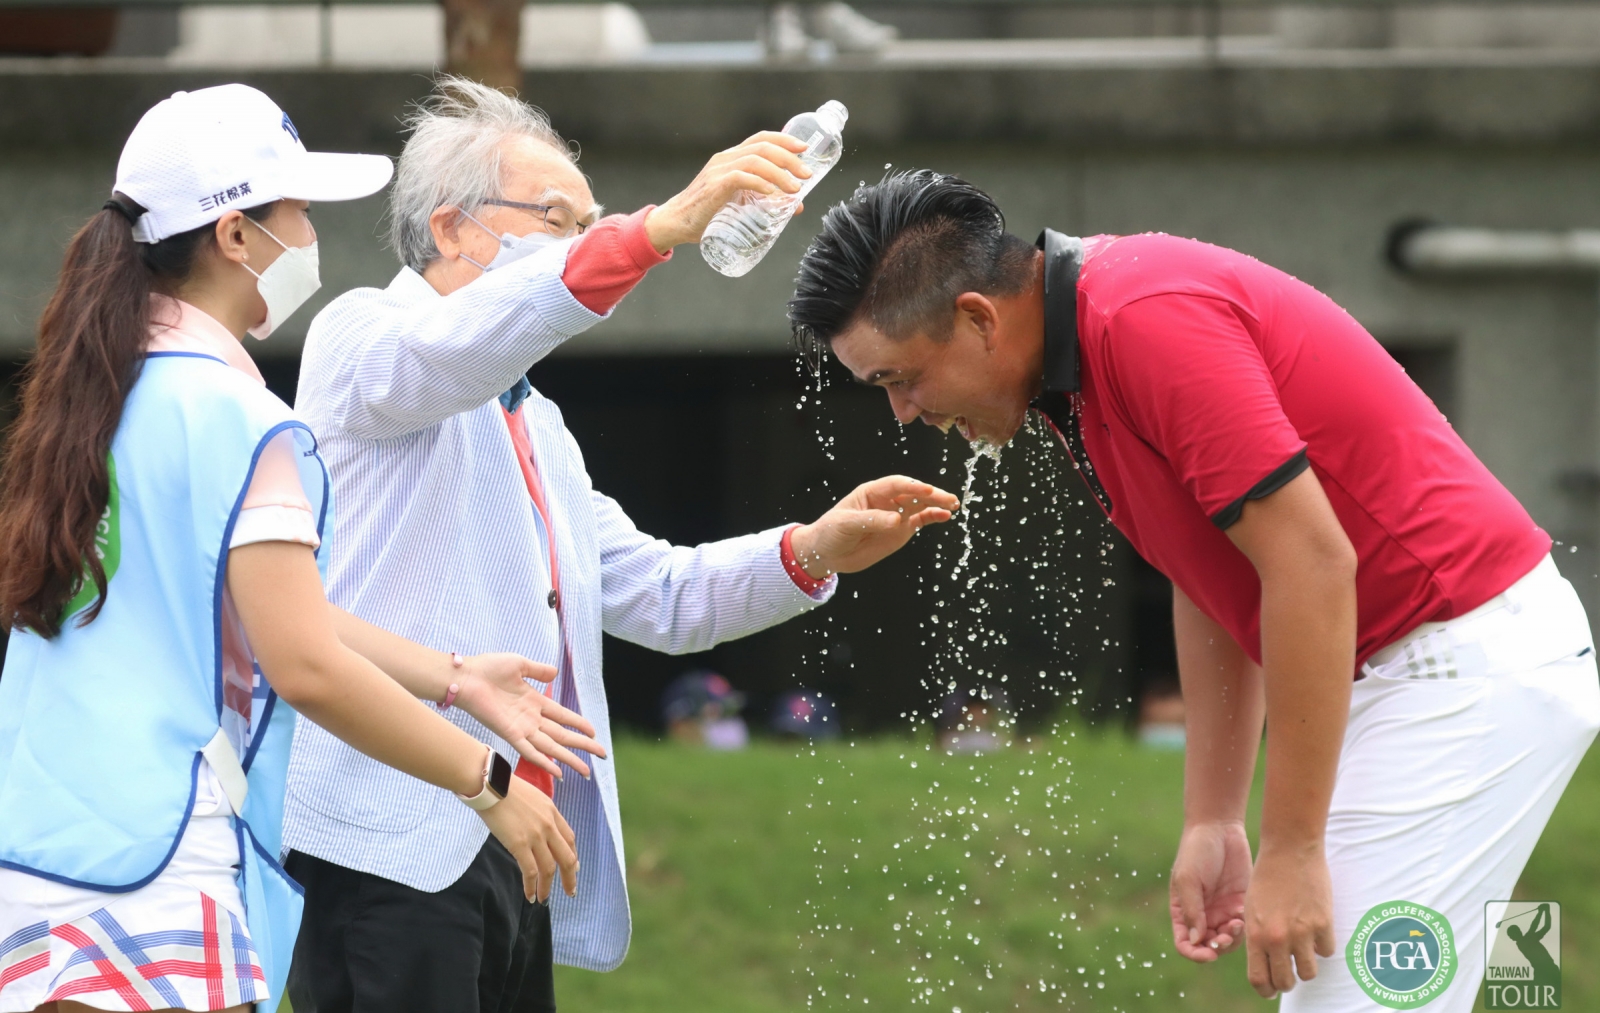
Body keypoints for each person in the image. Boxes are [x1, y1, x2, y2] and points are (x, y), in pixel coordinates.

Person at [786, 169, 1600, 1013]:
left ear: (978, 320)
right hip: (1434, 669)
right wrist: (1215, 817)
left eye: (899, 378)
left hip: (1461, 668)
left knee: (1340, 1000)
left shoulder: (1142, 319)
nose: (904, 415)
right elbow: (1212, 574)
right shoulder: (1075, 359)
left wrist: (1291, 847)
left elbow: (1312, 564)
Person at [283, 77, 958, 1013]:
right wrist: (656, 229)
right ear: (451, 229)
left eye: (591, 221)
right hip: (386, 841)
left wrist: (814, 550)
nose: (581, 240)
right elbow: (455, 351)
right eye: (558, 216)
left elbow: (659, 593)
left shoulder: (539, 422)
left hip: (517, 841)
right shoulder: (362, 333)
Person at [0, 84, 594, 1013]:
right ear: (236, 236)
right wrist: (486, 782)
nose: (313, 238)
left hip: (39, 859)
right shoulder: (241, 420)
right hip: (162, 868)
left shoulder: (97, 401)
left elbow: (285, 616)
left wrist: (451, 675)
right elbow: (307, 662)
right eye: (300, 213)